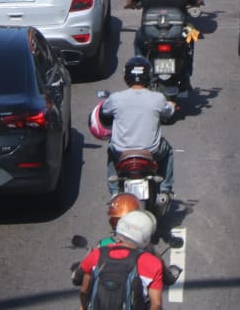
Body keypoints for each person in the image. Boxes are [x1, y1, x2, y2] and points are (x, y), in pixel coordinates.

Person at [100, 56, 178, 199]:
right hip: (152, 151)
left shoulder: (115, 98)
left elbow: (103, 112)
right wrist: (172, 105)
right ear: (148, 76)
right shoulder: (158, 98)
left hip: (121, 152)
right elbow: (169, 112)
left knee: (111, 151)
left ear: (126, 76)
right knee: (168, 151)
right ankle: (164, 190)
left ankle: (115, 192)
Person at [76, 209, 165, 310]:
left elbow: (84, 290)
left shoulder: (97, 253)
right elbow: (156, 304)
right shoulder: (152, 263)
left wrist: (84, 307)